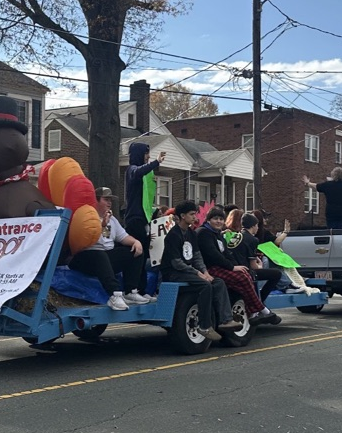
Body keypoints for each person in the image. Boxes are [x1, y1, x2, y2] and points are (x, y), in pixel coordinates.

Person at [160, 200, 240, 341]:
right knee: (205, 285)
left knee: (218, 282)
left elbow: (197, 256)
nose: (195, 217)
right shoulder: (173, 235)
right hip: (174, 273)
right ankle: (204, 326)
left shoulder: (191, 233)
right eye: (192, 214)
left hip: (189, 271)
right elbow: (176, 263)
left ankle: (226, 320)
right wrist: (198, 274)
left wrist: (206, 272)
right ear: (182, 216)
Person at [68, 187, 150, 310]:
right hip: (85, 257)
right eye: (106, 199)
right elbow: (83, 241)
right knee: (100, 254)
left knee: (135, 251)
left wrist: (136, 242)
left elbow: (123, 237)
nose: (109, 203)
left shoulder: (112, 219)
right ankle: (114, 294)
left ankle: (130, 292)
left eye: (110, 200)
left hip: (104, 257)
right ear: (95, 201)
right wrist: (101, 225)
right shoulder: (86, 217)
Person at [197, 207, 281, 326]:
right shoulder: (203, 233)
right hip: (210, 268)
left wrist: (235, 266)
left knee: (245, 275)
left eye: (221, 219)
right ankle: (261, 310)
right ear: (208, 220)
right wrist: (232, 267)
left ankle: (255, 313)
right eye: (215, 218)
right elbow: (213, 255)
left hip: (222, 266)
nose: (219, 221)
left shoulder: (220, 234)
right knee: (244, 277)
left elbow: (227, 253)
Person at [124, 142, 166, 295]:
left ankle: (141, 291)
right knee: (137, 256)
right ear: (138, 154)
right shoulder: (132, 170)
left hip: (143, 219)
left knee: (143, 257)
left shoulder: (142, 174)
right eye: (146, 153)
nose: (148, 156)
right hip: (134, 219)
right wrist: (156, 162)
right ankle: (132, 290)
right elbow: (139, 172)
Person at [227, 212, 283, 303]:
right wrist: (260, 266)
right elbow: (253, 266)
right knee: (277, 274)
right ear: (253, 226)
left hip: (233, 269)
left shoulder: (235, 236)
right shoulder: (253, 239)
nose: (258, 228)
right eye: (257, 225)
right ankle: (260, 300)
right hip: (246, 271)